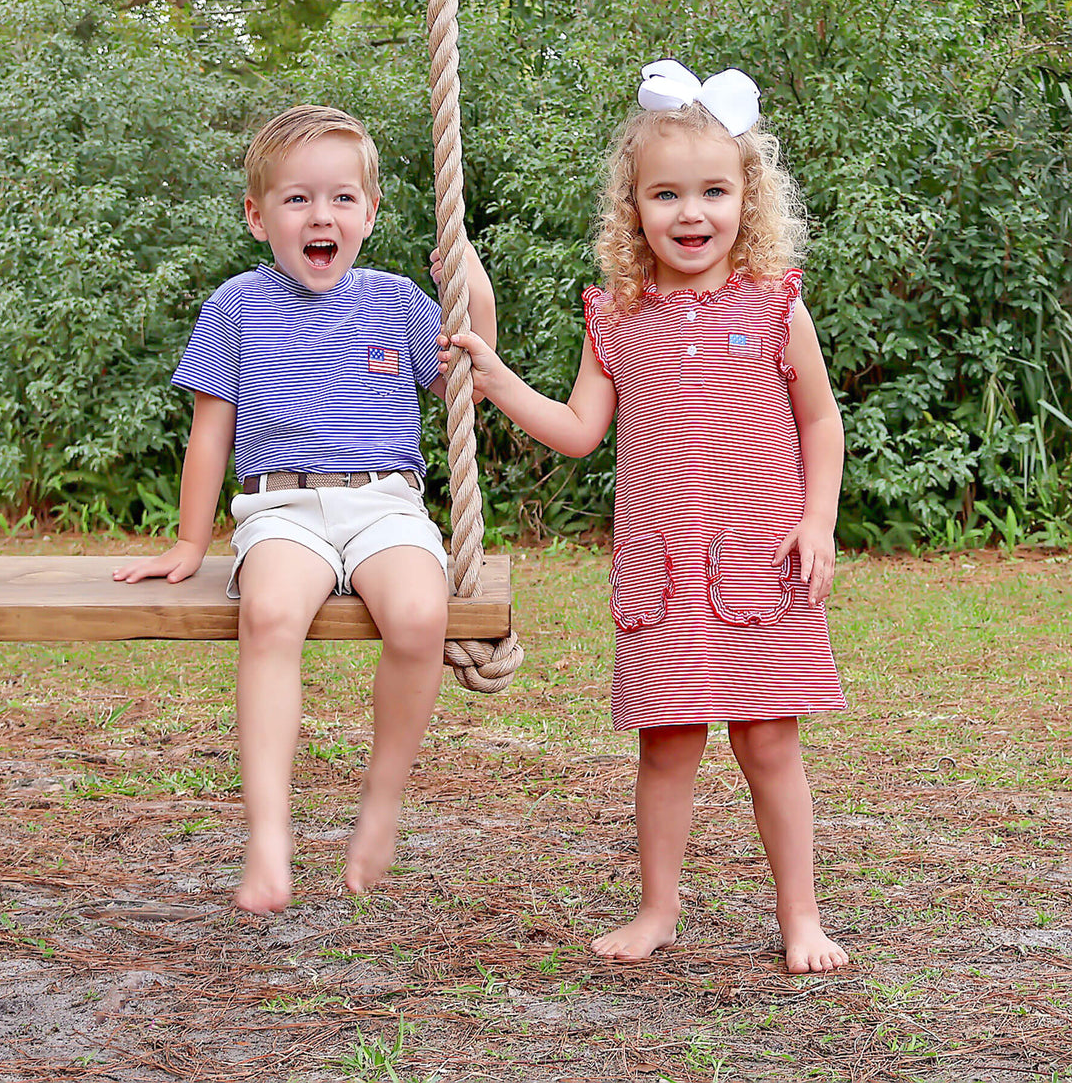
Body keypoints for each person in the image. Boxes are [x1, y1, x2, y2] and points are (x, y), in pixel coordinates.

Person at [443, 61, 848, 973]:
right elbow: (582, 431)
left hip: (761, 564)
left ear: (750, 199)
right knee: (667, 745)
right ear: (634, 209)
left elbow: (820, 423)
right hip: (665, 572)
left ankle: (802, 918)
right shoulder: (617, 318)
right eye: (667, 195)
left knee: (770, 743)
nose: (691, 213)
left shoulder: (776, 308)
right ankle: (658, 908)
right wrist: (496, 379)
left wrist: (817, 520)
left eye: (714, 190)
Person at [114, 104, 496, 915]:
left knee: (422, 617)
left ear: (370, 212)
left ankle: (381, 807)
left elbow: (470, 379)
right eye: (296, 200)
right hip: (280, 508)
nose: (320, 215)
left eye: (340, 199)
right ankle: (269, 833)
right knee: (272, 614)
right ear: (258, 217)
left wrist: (468, 286)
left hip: (385, 503)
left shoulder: (395, 301)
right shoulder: (236, 307)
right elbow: (210, 435)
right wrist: (191, 541)